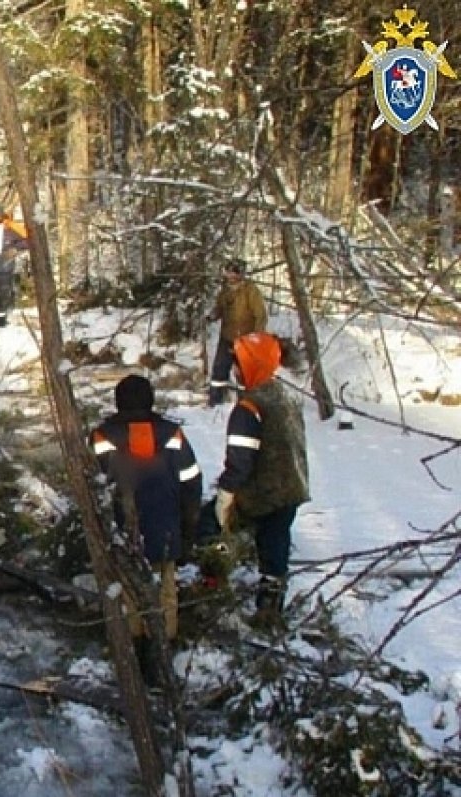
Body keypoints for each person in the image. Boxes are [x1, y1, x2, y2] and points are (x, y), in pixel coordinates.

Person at [90, 374, 202, 685]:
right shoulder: (172, 434)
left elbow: (93, 487)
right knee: (165, 591)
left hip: (121, 532)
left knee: (129, 593)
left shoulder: (102, 436)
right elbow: (192, 482)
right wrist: (188, 531)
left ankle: (135, 658)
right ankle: (162, 657)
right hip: (166, 527)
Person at [213, 331, 310, 628]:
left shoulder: (249, 409)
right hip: (292, 487)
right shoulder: (285, 395)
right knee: (276, 546)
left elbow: (241, 460)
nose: (234, 370)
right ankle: (272, 603)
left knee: (214, 531)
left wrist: (226, 494)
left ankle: (215, 589)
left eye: (238, 363)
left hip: (264, 493)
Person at [207, 259, 267, 406]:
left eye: (233, 274)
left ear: (240, 275)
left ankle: (244, 404)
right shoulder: (225, 290)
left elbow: (261, 315)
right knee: (219, 370)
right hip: (227, 337)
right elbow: (220, 307)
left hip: (245, 340)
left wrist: (256, 338)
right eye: (228, 273)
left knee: (244, 374)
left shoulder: (251, 291)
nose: (230, 277)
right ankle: (215, 401)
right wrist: (213, 315)